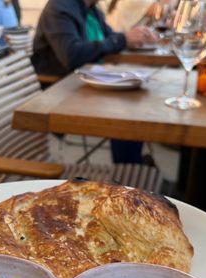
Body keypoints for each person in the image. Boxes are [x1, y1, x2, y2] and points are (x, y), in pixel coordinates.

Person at [32, 0, 156, 164]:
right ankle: (129, 169)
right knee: (126, 111)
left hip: (89, 85)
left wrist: (134, 36)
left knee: (136, 102)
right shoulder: (59, 7)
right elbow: (72, 55)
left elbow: (110, 38)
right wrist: (123, 40)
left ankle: (132, 165)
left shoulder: (92, 9)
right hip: (63, 94)